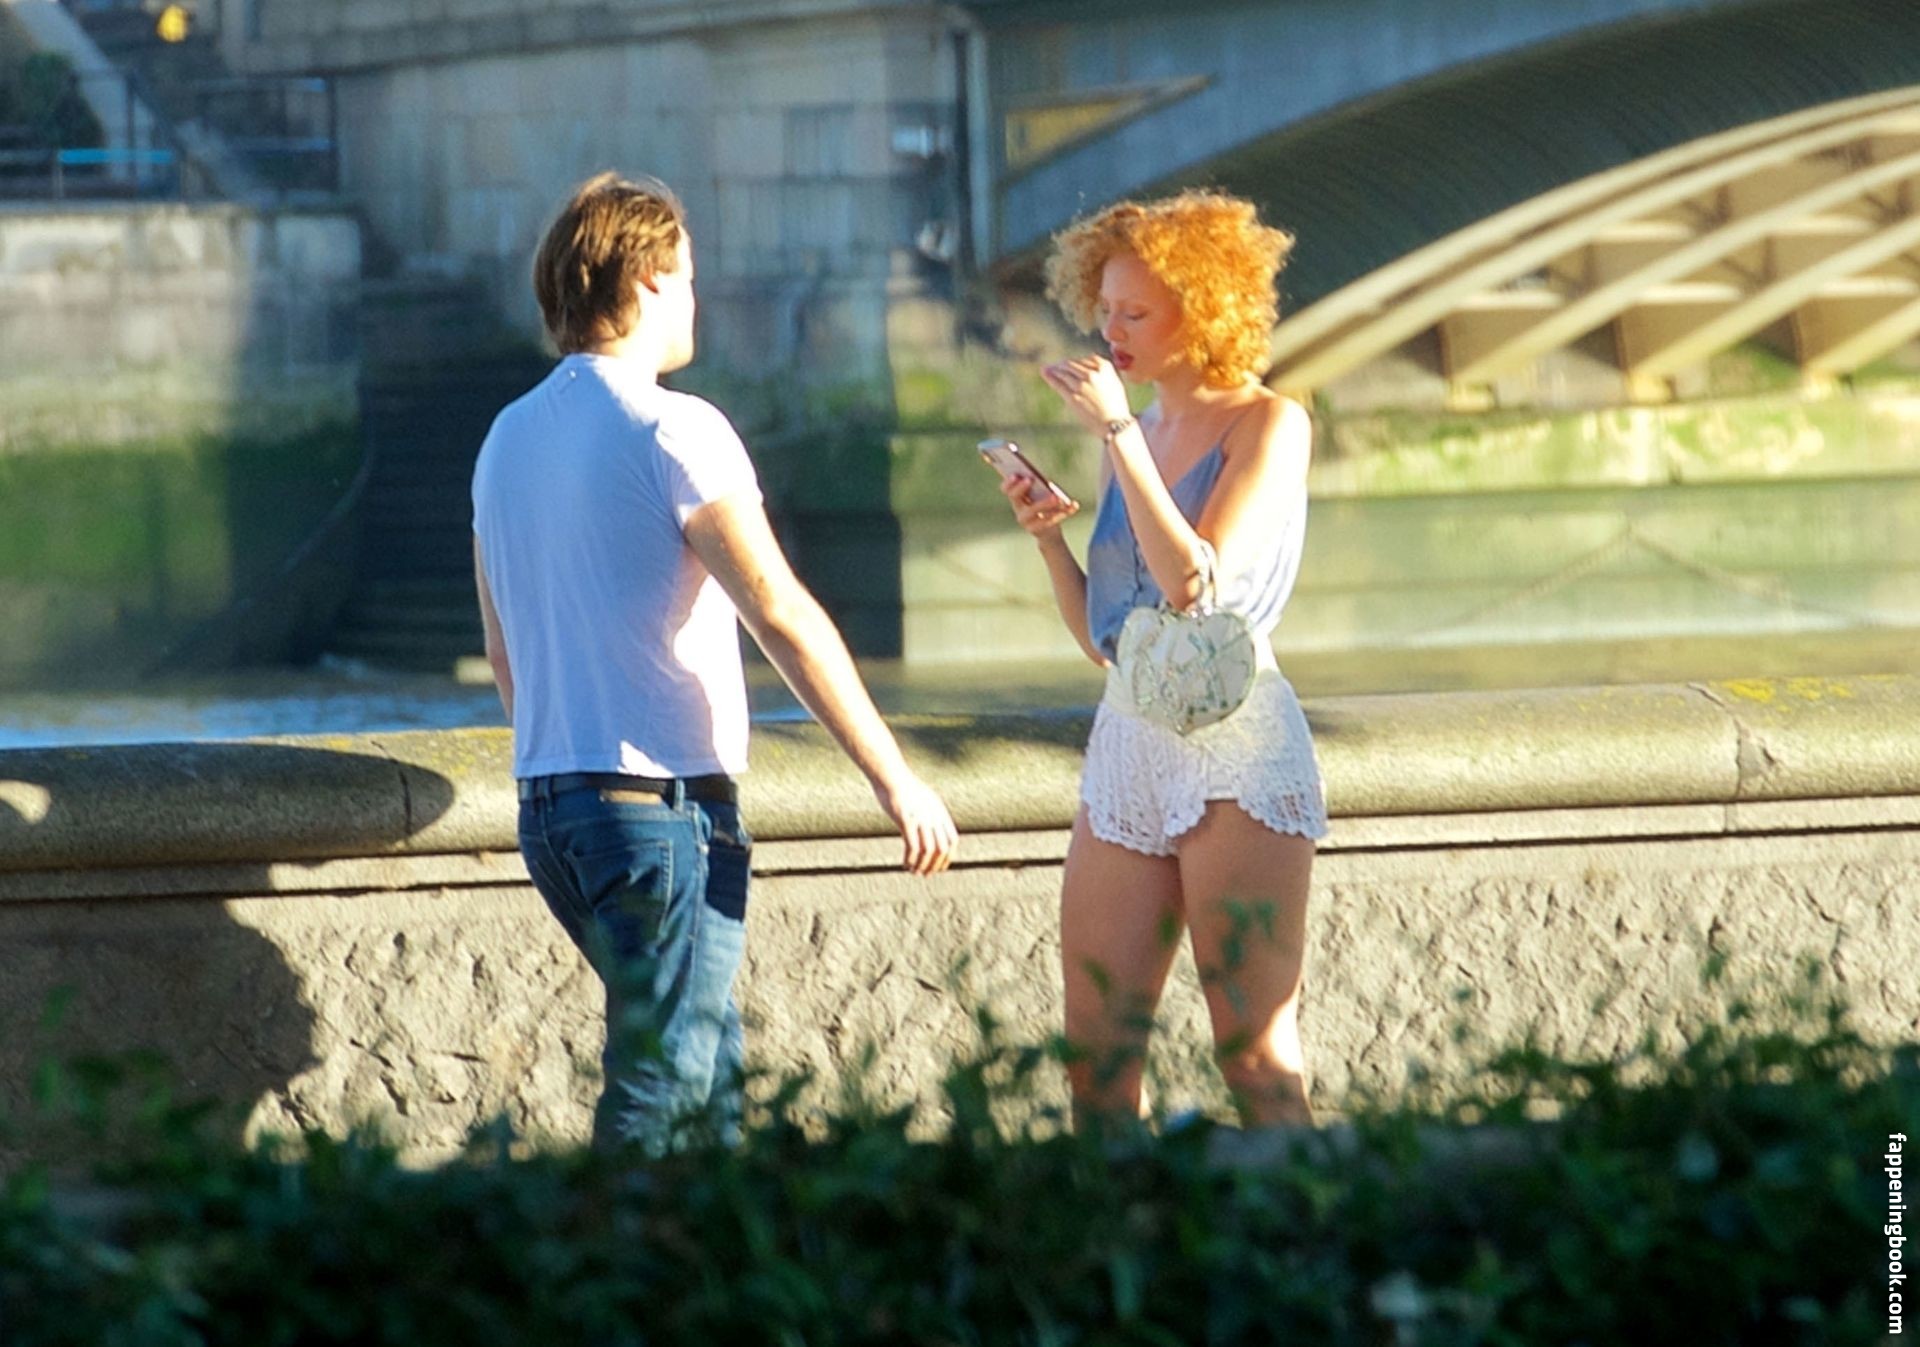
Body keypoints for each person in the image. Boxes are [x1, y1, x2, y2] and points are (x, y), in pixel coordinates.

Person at [471, 172, 958, 1154]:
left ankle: (706, 1249)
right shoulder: (677, 428)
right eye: (689, 277)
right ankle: (604, 1248)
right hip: (662, 812)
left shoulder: (505, 437)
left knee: (709, 1074)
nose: (695, 298)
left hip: (552, 810)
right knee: (663, 1088)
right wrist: (894, 776)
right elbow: (780, 613)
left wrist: (564, 768)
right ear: (650, 278)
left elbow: (502, 650)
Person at [997, 189, 1327, 1128]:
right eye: (1104, 309)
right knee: (1095, 1059)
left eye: (1136, 313)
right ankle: (1122, 1219)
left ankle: (1311, 1213)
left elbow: (1192, 585)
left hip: (1235, 742)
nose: (1111, 332)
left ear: (1205, 309)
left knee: (1251, 1051)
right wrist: (1048, 539)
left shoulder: (1269, 423)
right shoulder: (1136, 436)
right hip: (1130, 739)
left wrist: (1116, 434)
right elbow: (1112, 639)